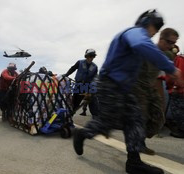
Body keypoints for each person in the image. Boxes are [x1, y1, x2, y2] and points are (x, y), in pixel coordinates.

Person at [73, 9, 182, 174]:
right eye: (156, 26)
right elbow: (140, 44)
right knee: (108, 122)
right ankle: (83, 133)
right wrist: (171, 69)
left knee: (136, 120)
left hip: (124, 87)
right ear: (147, 23)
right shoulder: (135, 33)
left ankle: (134, 162)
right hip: (111, 84)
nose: (156, 31)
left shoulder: (139, 37)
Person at [132, 28, 179, 155]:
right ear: (161, 39)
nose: (171, 46)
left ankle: (138, 138)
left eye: (173, 43)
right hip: (138, 87)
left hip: (151, 88)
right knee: (141, 117)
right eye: (169, 42)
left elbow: (169, 70)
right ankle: (136, 144)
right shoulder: (148, 50)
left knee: (159, 119)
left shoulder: (168, 55)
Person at [64, 49, 98, 115]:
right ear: (86, 56)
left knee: (93, 102)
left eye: (93, 56)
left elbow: (95, 77)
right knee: (74, 104)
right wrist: (66, 75)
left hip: (88, 86)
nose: (91, 58)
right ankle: (69, 117)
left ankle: (96, 117)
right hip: (78, 85)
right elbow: (72, 69)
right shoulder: (80, 62)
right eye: (90, 56)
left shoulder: (95, 67)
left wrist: (92, 88)